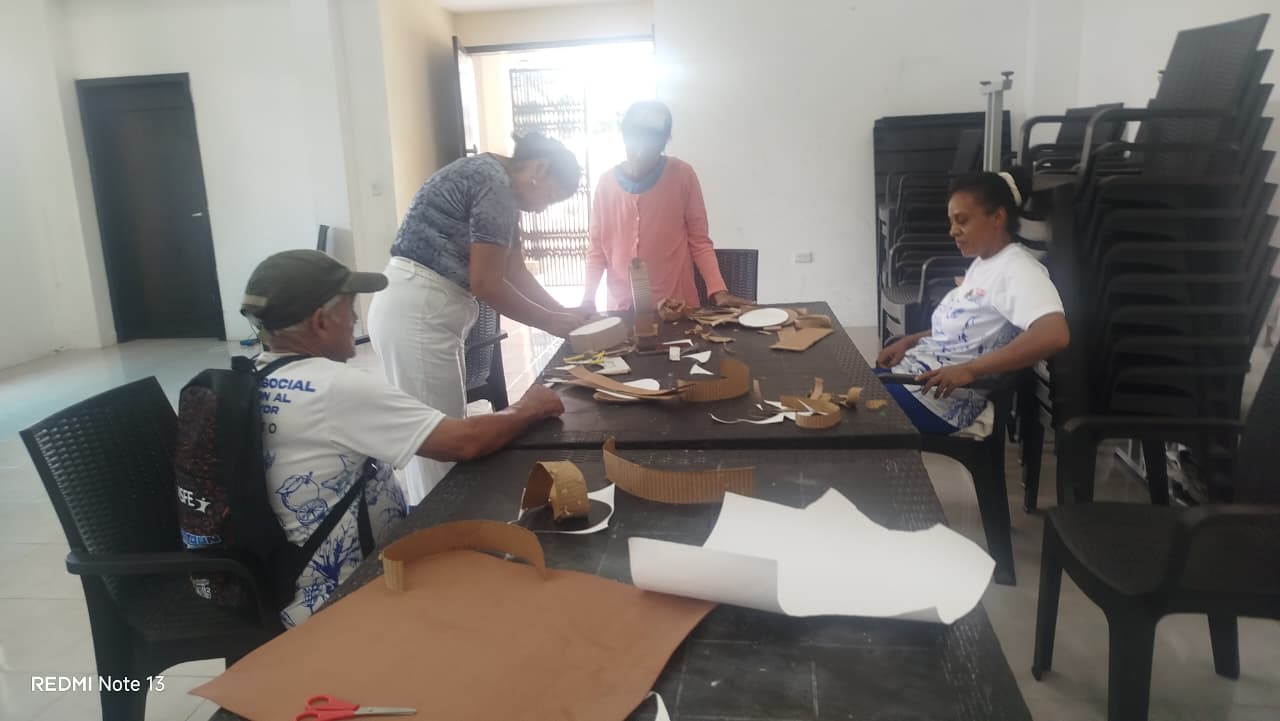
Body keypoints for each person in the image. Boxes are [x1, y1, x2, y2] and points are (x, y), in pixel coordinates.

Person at [241, 250, 564, 626]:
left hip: (289, 585)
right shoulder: (334, 388)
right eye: (349, 307)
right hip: (349, 594)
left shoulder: (254, 378)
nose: (356, 318)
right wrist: (529, 408)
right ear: (321, 322)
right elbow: (463, 442)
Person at [367, 133, 588, 503]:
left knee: (442, 431)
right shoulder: (494, 184)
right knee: (440, 446)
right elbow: (486, 283)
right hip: (418, 311)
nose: (543, 208)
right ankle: (440, 529)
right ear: (539, 168)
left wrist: (561, 313)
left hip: (422, 309)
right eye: (551, 196)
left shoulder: (497, 182)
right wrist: (550, 322)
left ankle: (447, 525)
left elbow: (514, 269)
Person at [875, 168, 1070, 434]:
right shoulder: (983, 263)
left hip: (938, 401)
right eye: (952, 222)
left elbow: (1054, 334)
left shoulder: (1019, 269)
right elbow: (968, 331)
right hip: (914, 378)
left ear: (997, 217)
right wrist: (911, 340)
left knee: (838, 412)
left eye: (962, 220)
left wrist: (970, 370)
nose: (953, 231)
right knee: (835, 392)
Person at [581, 100, 751, 312]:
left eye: (650, 145)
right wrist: (588, 299)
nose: (640, 153)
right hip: (623, 309)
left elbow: (699, 241)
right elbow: (597, 250)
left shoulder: (682, 175)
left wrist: (718, 291)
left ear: (662, 145)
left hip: (677, 306)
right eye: (636, 142)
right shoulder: (605, 185)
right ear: (625, 136)